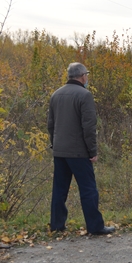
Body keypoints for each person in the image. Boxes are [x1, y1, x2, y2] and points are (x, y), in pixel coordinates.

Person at [47, 62, 115, 235]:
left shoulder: (56, 95)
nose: (87, 78)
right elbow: (89, 127)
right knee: (88, 189)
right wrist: (92, 151)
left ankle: (56, 226)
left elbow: (51, 125)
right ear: (82, 76)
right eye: (87, 75)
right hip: (78, 152)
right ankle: (95, 227)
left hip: (60, 150)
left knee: (59, 189)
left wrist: (55, 145)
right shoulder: (85, 95)